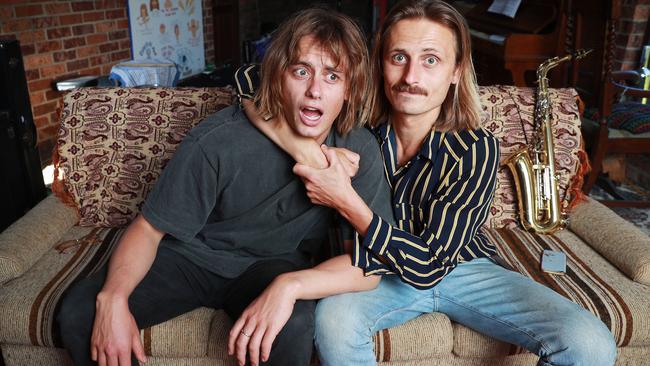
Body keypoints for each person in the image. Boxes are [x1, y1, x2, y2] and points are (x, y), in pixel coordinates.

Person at [238, 1, 618, 365]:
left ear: (456, 70)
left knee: (589, 341)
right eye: (398, 57)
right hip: (375, 272)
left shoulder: (475, 147)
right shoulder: (352, 122)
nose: (411, 77)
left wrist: (344, 199)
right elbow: (247, 78)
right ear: (379, 64)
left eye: (430, 60)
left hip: (460, 268)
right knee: (333, 322)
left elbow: (429, 265)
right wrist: (306, 150)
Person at [56, 8, 394, 366]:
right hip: (193, 257)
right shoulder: (220, 139)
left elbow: (370, 265)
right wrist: (113, 298)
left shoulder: (357, 149)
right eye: (301, 71)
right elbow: (149, 229)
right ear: (279, 75)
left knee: (292, 325)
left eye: (332, 76)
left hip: (272, 265)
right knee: (80, 311)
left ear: (348, 89)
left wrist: (290, 286)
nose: (314, 91)